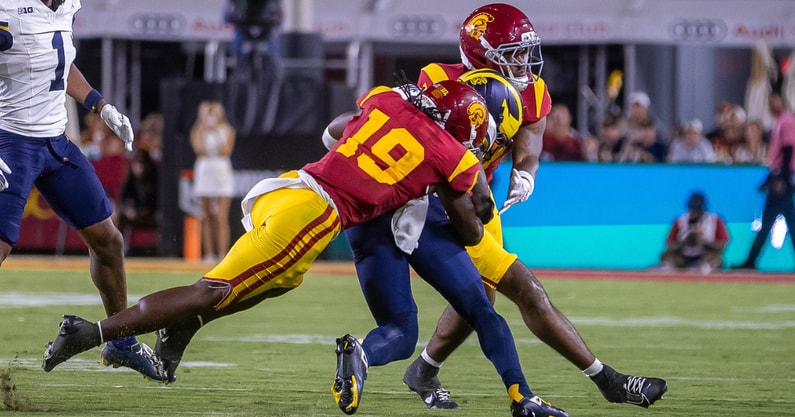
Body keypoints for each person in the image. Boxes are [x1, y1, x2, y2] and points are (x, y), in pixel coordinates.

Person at [41, 80, 566, 417]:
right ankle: (94, 333)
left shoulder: (388, 98)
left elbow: (334, 130)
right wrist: (466, 185)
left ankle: (179, 332)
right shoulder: (454, 152)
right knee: (212, 290)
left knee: (269, 285)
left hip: (293, 186)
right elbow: (474, 231)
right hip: (318, 212)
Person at [341, 3, 664, 411]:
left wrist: (525, 173)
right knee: (522, 289)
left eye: (525, 51)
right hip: (439, 201)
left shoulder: (532, 91)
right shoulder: (440, 82)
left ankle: (424, 369)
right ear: (480, 54)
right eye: (512, 53)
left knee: (483, 299)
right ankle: (606, 381)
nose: (523, 62)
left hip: (478, 199)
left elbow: (529, 144)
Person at [0, 0, 164, 381]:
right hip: (12, 142)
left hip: (56, 142)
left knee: (108, 240)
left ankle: (120, 341)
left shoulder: (66, 5)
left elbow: (60, 61)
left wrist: (99, 105)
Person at [732, 93, 795, 270]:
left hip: (783, 175)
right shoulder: (780, 121)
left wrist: (780, 177)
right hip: (781, 174)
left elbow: (789, 150)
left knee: (775, 220)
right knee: (779, 220)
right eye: (770, 100)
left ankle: (750, 261)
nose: (772, 104)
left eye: (775, 100)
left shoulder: (786, 121)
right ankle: (750, 261)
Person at [190, 101, 236, 263]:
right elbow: (199, 149)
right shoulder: (197, 131)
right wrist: (203, 128)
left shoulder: (228, 130)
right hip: (205, 169)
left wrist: (216, 131)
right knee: (207, 215)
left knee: (221, 216)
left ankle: (223, 254)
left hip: (221, 170)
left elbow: (226, 150)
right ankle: (209, 254)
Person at [656, 192, 730, 274]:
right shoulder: (681, 220)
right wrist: (684, 242)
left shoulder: (715, 220)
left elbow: (722, 246)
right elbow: (669, 244)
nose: (695, 213)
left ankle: (702, 268)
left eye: (698, 210)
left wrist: (703, 241)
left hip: (705, 256)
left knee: (716, 259)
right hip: (683, 256)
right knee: (665, 255)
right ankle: (669, 268)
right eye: (693, 209)